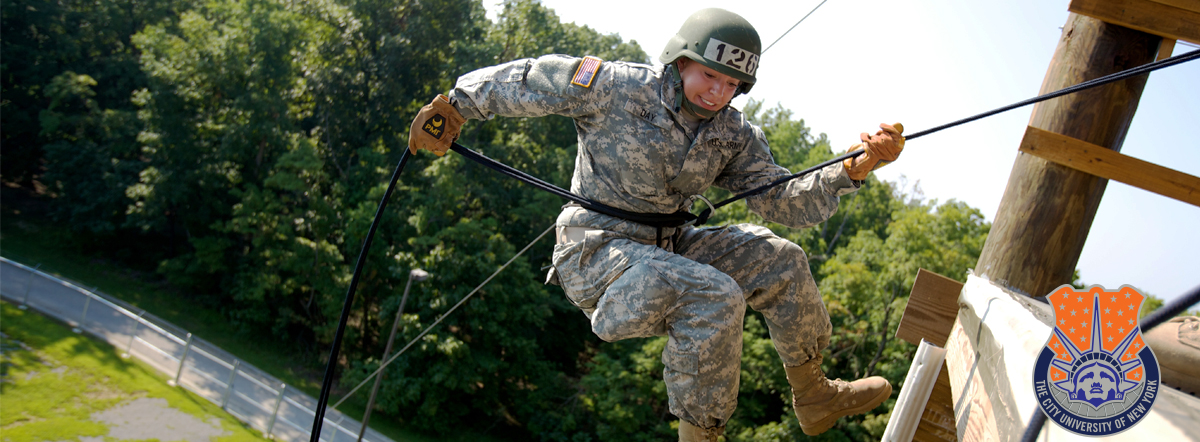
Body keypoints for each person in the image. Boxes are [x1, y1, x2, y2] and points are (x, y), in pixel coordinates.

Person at [408, 8, 903, 442]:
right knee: (716, 294)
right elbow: (534, 78)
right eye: (711, 76)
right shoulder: (616, 87)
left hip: (669, 249)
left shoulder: (732, 133)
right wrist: (457, 105)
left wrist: (851, 169)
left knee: (781, 258)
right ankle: (702, 436)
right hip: (598, 255)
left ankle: (813, 394)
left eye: (732, 85)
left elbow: (781, 199)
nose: (719, 93)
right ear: (682, 60)